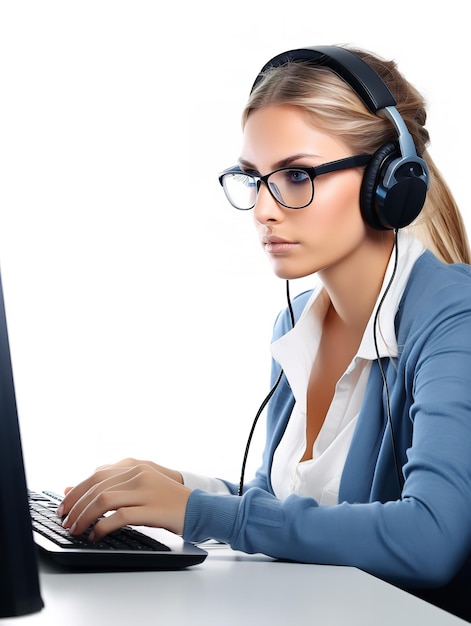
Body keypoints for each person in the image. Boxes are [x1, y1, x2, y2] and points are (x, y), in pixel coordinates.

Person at [58, 45, 471, 620]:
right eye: (254, 178)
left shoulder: (454, 318)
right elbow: (291, 511)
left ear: (390, 182)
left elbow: (432, 537)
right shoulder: (297, 322)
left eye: (296, 175)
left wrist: (200, 512)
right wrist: (177, 489)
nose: (263, 210)